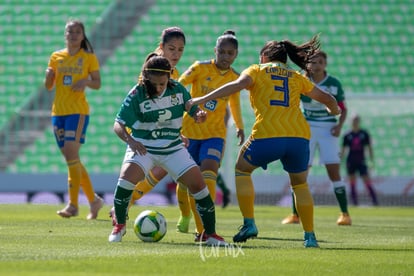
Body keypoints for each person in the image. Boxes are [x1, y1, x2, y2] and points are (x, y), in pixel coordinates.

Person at [187, 35, 341, 247]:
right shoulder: (296, 76)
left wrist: (202, 99)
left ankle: (249, 223)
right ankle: (310, 237)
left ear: (265, 56)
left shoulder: (256, 70)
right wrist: (334, 110)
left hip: (268, 134)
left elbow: (236, 85)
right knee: (300, 184)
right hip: (298, 137)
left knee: (242, 169)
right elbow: (329, 100)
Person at [108, 55, 227, 246]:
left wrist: (198, 114)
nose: (158, 88)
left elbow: (189, 105)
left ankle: (210, 234)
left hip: (172, 148)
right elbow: (118, 124)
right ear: (146, 78)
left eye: (162, 83)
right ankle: (120, 225)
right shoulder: (137, 93)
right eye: (154, 84)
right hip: (144, 146)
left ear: (169, 77)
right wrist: (130, 140)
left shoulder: (177, 88)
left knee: (199, 185)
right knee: (126, 179)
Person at [108, 26, 186, 224]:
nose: (176, 54)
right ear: (162, 47)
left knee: (161, 170)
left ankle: (128, 202)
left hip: (162, 129)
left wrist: (175, 133)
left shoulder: (171, 71)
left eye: (180, 50)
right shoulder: (153, 67)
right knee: (138, 171)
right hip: (146, 131)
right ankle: (124, 204)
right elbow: (148, 102)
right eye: (171, 49)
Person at [176, 30, 245, 240]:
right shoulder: (200, 67)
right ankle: (186, 215)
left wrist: (240, 126)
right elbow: (179, 84)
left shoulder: (235, 78)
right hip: (189, 132)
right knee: (185, 182)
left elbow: (234, 103)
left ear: (236, 54)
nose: (225, 56)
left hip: (215, 134)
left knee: (208, 173)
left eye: (230, 53)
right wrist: (189, 107)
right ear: (215, 51)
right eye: (222, 52)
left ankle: (204, 228)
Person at [281, 50, 352, 226]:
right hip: (307, 129)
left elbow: (343, 108)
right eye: (313, 62)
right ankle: (295, 214)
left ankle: (345, 214)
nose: (317, 65)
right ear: (308, 65)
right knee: (300, 171)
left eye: (320, 62)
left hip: (328, 130)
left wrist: (339, 126)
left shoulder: (334, 83)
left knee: (333, 172)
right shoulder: (301, 80)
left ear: (325, 64)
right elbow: (291, 104)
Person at [44, 19, 104, 219]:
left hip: (77, 112)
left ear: (82, 35)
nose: (74, 35)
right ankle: (94, 201)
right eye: (70, 31)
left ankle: (73, 205)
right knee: (72, 159)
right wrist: (48, 75)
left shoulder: (88, 57)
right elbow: (49, 86)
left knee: (71, 154)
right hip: (58, 112)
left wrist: (85, 81)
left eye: (78, 32)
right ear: (65, 34)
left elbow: (97, 83)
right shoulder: (56, 57)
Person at [341, 114, 378, 206]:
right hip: (351, 161)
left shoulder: (364, 133)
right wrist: (341, 160)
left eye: (357, 120)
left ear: (359, 122)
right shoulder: (347, 135)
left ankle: (374, 201)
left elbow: (369, 148)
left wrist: (371, 160)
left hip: (361, 161)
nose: (355, 122)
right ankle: (354, 202)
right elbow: (343, 150)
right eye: (354, 121)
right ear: (351, 122)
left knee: (366, 180)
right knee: (352, 181)